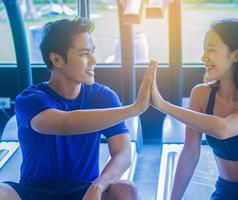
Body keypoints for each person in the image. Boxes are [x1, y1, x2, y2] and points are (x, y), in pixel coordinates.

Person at [0, 18, 156, 200]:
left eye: (93, 52)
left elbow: (123, 153)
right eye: (84, 54)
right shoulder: (30, 99)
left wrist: (98, 186)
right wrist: (133, 109)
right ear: (57, 59)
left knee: (125, 189)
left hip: (84, 191)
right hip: (34, 192)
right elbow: (66, 124)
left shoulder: (103, 97)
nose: (93, 60)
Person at [150, 18, 238, 200]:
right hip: (226, 192)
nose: (203, 58)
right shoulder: (201, 95)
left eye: (211, 50)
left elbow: (223, 129)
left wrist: (163, 105)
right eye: (204, 50)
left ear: (237, 55)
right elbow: (190, 152)